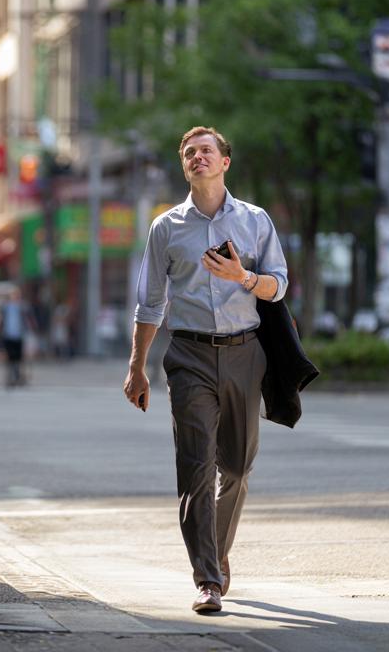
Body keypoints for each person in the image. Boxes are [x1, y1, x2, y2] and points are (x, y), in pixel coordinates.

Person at [122, 126, 288, 614]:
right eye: (189, 153)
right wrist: (137, 368)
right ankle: (208, 579)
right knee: (196, 467)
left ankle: (214, 551)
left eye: (206, 151)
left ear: (224, 162)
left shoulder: (255, 221)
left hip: (245, 354)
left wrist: (243, 277)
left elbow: (278, 286)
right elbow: (150, 303)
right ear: (184, 166)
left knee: (236, 467)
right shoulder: (166, 227)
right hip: (189, 356)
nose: (198, 157)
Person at [0, 288, 30, 388]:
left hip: (19, 335)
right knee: (10, 357)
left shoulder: (22, 307)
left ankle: (17, 376)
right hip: (8, 335)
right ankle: (10, 377)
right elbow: (1, 319)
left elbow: (27, 318)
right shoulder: (5, 307)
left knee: (18, 357)